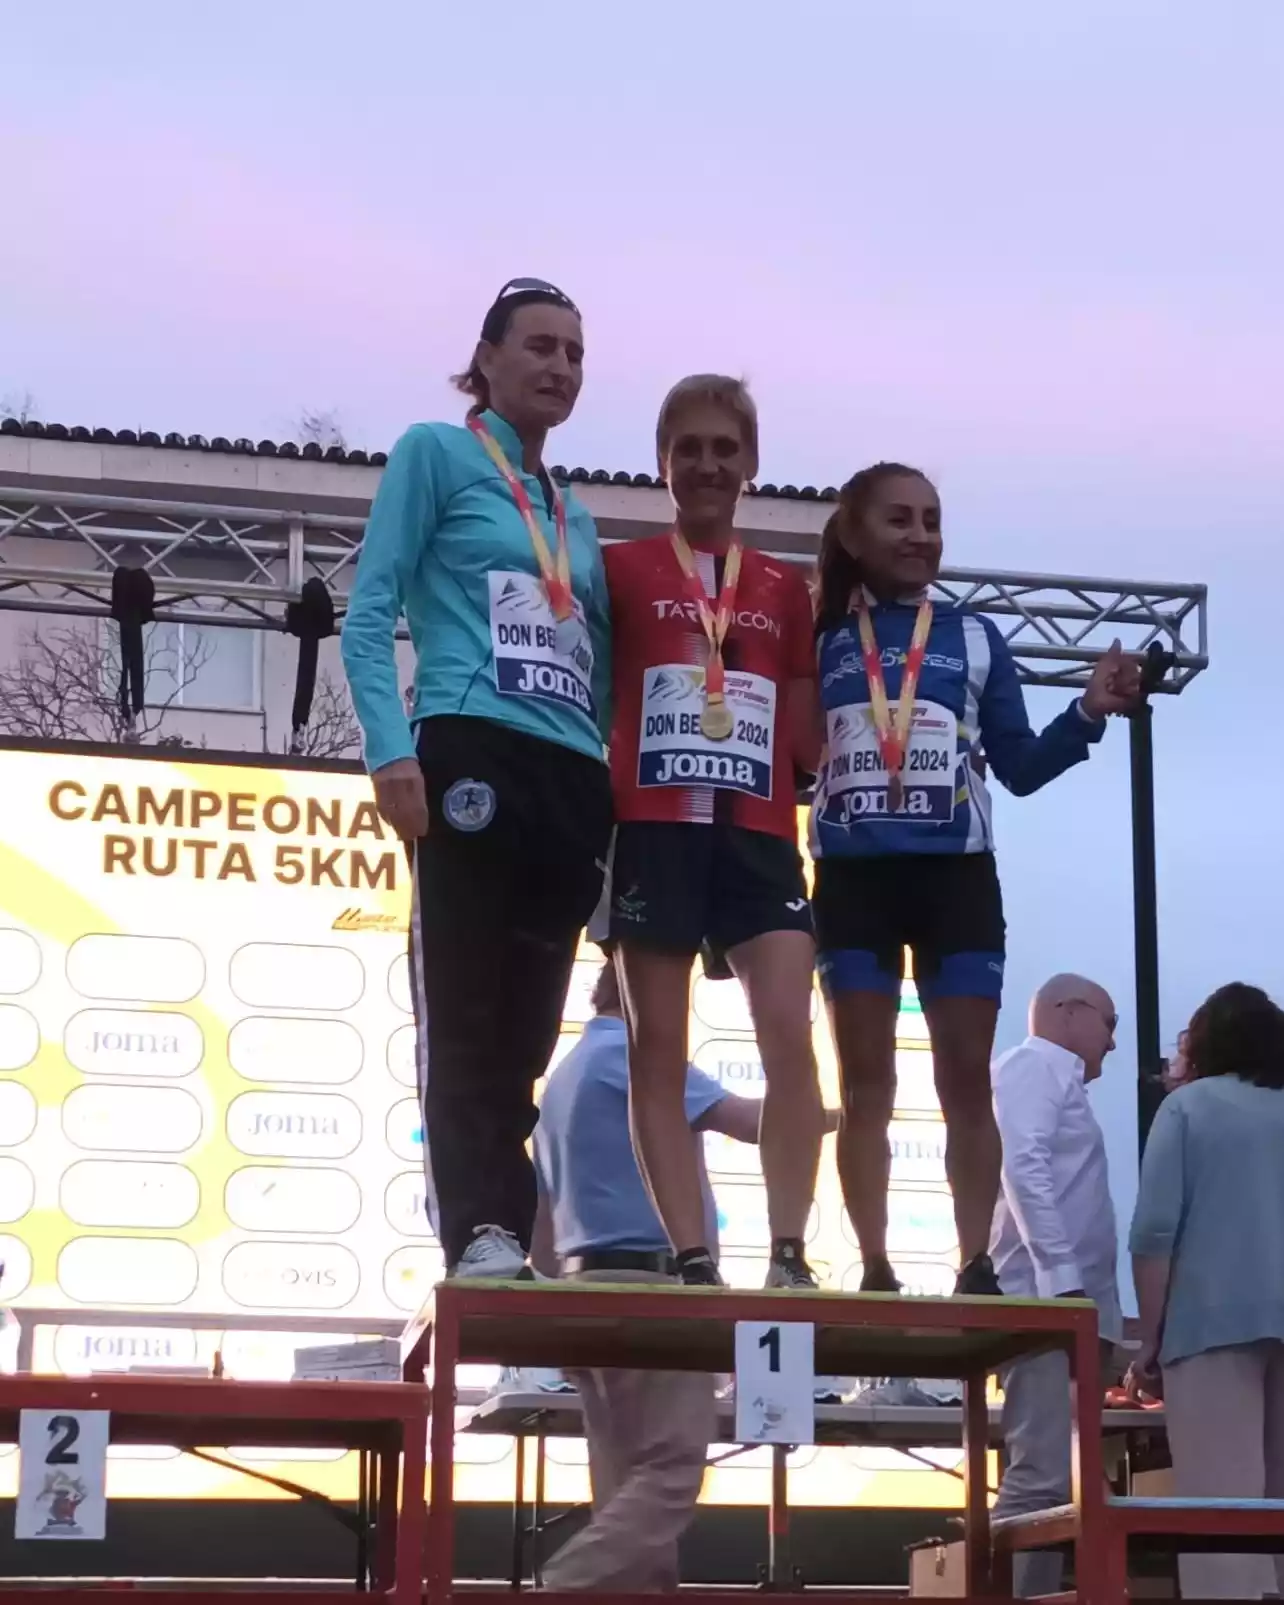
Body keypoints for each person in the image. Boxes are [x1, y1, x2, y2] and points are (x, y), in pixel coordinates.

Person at [810, 464, 1140, 1295]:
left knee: (963, 1076)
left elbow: (1020, 767)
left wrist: (1088, 710)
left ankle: (975, 1261)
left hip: (957, 879)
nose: (920, 534)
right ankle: (875, 1262)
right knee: (865, 1081)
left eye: (932, 518)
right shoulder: (818, 640)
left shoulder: (976, 636)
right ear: (853, 534)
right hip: (854, 881)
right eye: (899, 519)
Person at [341, 277, 613, 1280]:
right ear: (487, 359)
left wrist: (608, 781)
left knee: (533, 1022)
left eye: (575, 354)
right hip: (469, 746)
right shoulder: (435, 453)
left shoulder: (571, 510)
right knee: (463, 1002)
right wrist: (389, 748)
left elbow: (605, 665)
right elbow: (369, 615)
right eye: (539, 346)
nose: (559, 367)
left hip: (568, 770)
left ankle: (510, 1225)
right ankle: (479, 1230)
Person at [603, 375, 825, 1289]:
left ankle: (787, 1251)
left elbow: (808, 724)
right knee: (656, 1044)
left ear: (752, 463)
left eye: (724, 448)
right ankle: (694, 1256)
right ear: (663, 463)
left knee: (788, 1034)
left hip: (758, 829)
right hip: (652, 826)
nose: (706, 464)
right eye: (688, 448)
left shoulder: (783, 586)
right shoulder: (618, 567)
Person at [531, 960, 770, 1591]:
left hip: (582, 1291)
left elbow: (539, 1221)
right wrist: (848, 1112)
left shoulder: (563, 1079)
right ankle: (561, 1586)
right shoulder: (637, 1059)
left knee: (623, 1496)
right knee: (670, 1470)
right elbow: (751, 1122)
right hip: (648, 1289)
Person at [1127, 982, 1284, 1601]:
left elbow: (1154, 1232)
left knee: (1224, 1510)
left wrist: (1152, 1338)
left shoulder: (1189, 1109)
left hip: (1210, 1326)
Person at [989, 974, 1122, 1598]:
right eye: (1110, 1022)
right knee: (1041, 1477)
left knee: (1067, 1483)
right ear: (1068, 1012)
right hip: (1049, 1308)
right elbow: (1024, 1163)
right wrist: (1062, 1284)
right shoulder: (1033, 1065)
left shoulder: (1057, 1080)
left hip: (1073, 1311)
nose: (1114, 1043)